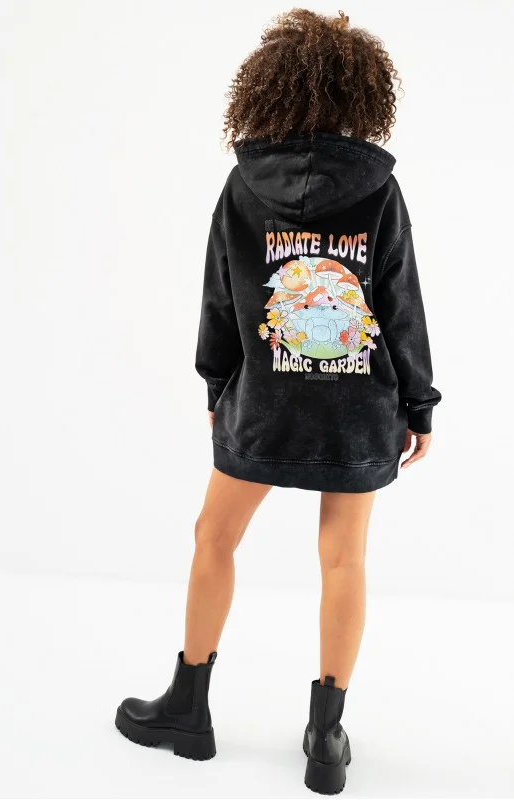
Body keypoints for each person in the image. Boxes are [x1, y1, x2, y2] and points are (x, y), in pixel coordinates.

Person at [115, 9, 441, 795]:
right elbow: (400, 302)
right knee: (344, 557)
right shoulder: (379, 190)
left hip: (264, 401)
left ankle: (187, 707)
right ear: (362, 95)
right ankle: (326, 738)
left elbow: (222, 297)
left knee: (213, 536)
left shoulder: (243, 185)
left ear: (269, 90)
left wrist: (216, 383)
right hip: (358, 407)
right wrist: (419, 403)